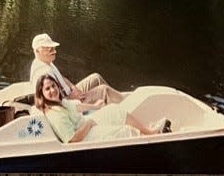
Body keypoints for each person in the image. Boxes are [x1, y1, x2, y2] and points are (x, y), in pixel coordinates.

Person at [35, 75, 172, 143]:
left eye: (53, 86)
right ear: (41, 93)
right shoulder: (55, 114)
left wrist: (95, 107)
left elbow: (76, 106)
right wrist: (89, 124)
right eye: (47, 89)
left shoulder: (59, 102)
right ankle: (151, 140)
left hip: (84, 124)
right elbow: (72, 139)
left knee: (114, 110)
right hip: (84, 138)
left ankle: (150, 133)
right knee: (124, 131)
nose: (52, 90)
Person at [29, 33, 125, 104]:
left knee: (96, 78)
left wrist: (73, 87)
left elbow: (61, 78)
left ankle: (117, 99)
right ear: (37, 51)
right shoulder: (42, 73)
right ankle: (125, 106)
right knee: (104, 90)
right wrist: (73, 98)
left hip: (70, 94)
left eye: (53, 48)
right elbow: (54, 101)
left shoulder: (47, 62)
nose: (54, 51)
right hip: (68, 103)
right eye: (48, 49)